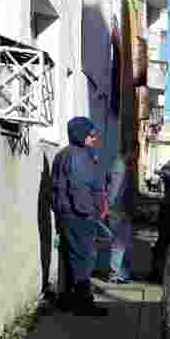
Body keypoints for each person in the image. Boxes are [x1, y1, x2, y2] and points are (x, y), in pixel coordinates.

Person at [50, 116, 109, 317]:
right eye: (91, 135)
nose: (94, 138)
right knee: (83, 259)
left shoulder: (62, 154)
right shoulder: (79, 155)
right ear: (81, 135)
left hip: (65, 214)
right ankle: (83, 304)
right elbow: (79, 188)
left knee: (68, 256)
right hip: (78, 216)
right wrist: (89, 213)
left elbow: (55, 187)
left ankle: (66, 299)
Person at [105, 150, 137, 283]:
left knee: (124, 244)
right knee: (119, 244)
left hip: (120, 211)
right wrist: (117, 210)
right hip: (119, 211)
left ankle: (122, 273)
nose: (136, 157)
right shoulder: (120, 167)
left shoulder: (122, 166)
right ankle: (115, 274)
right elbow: (115, 192)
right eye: (135, 153)